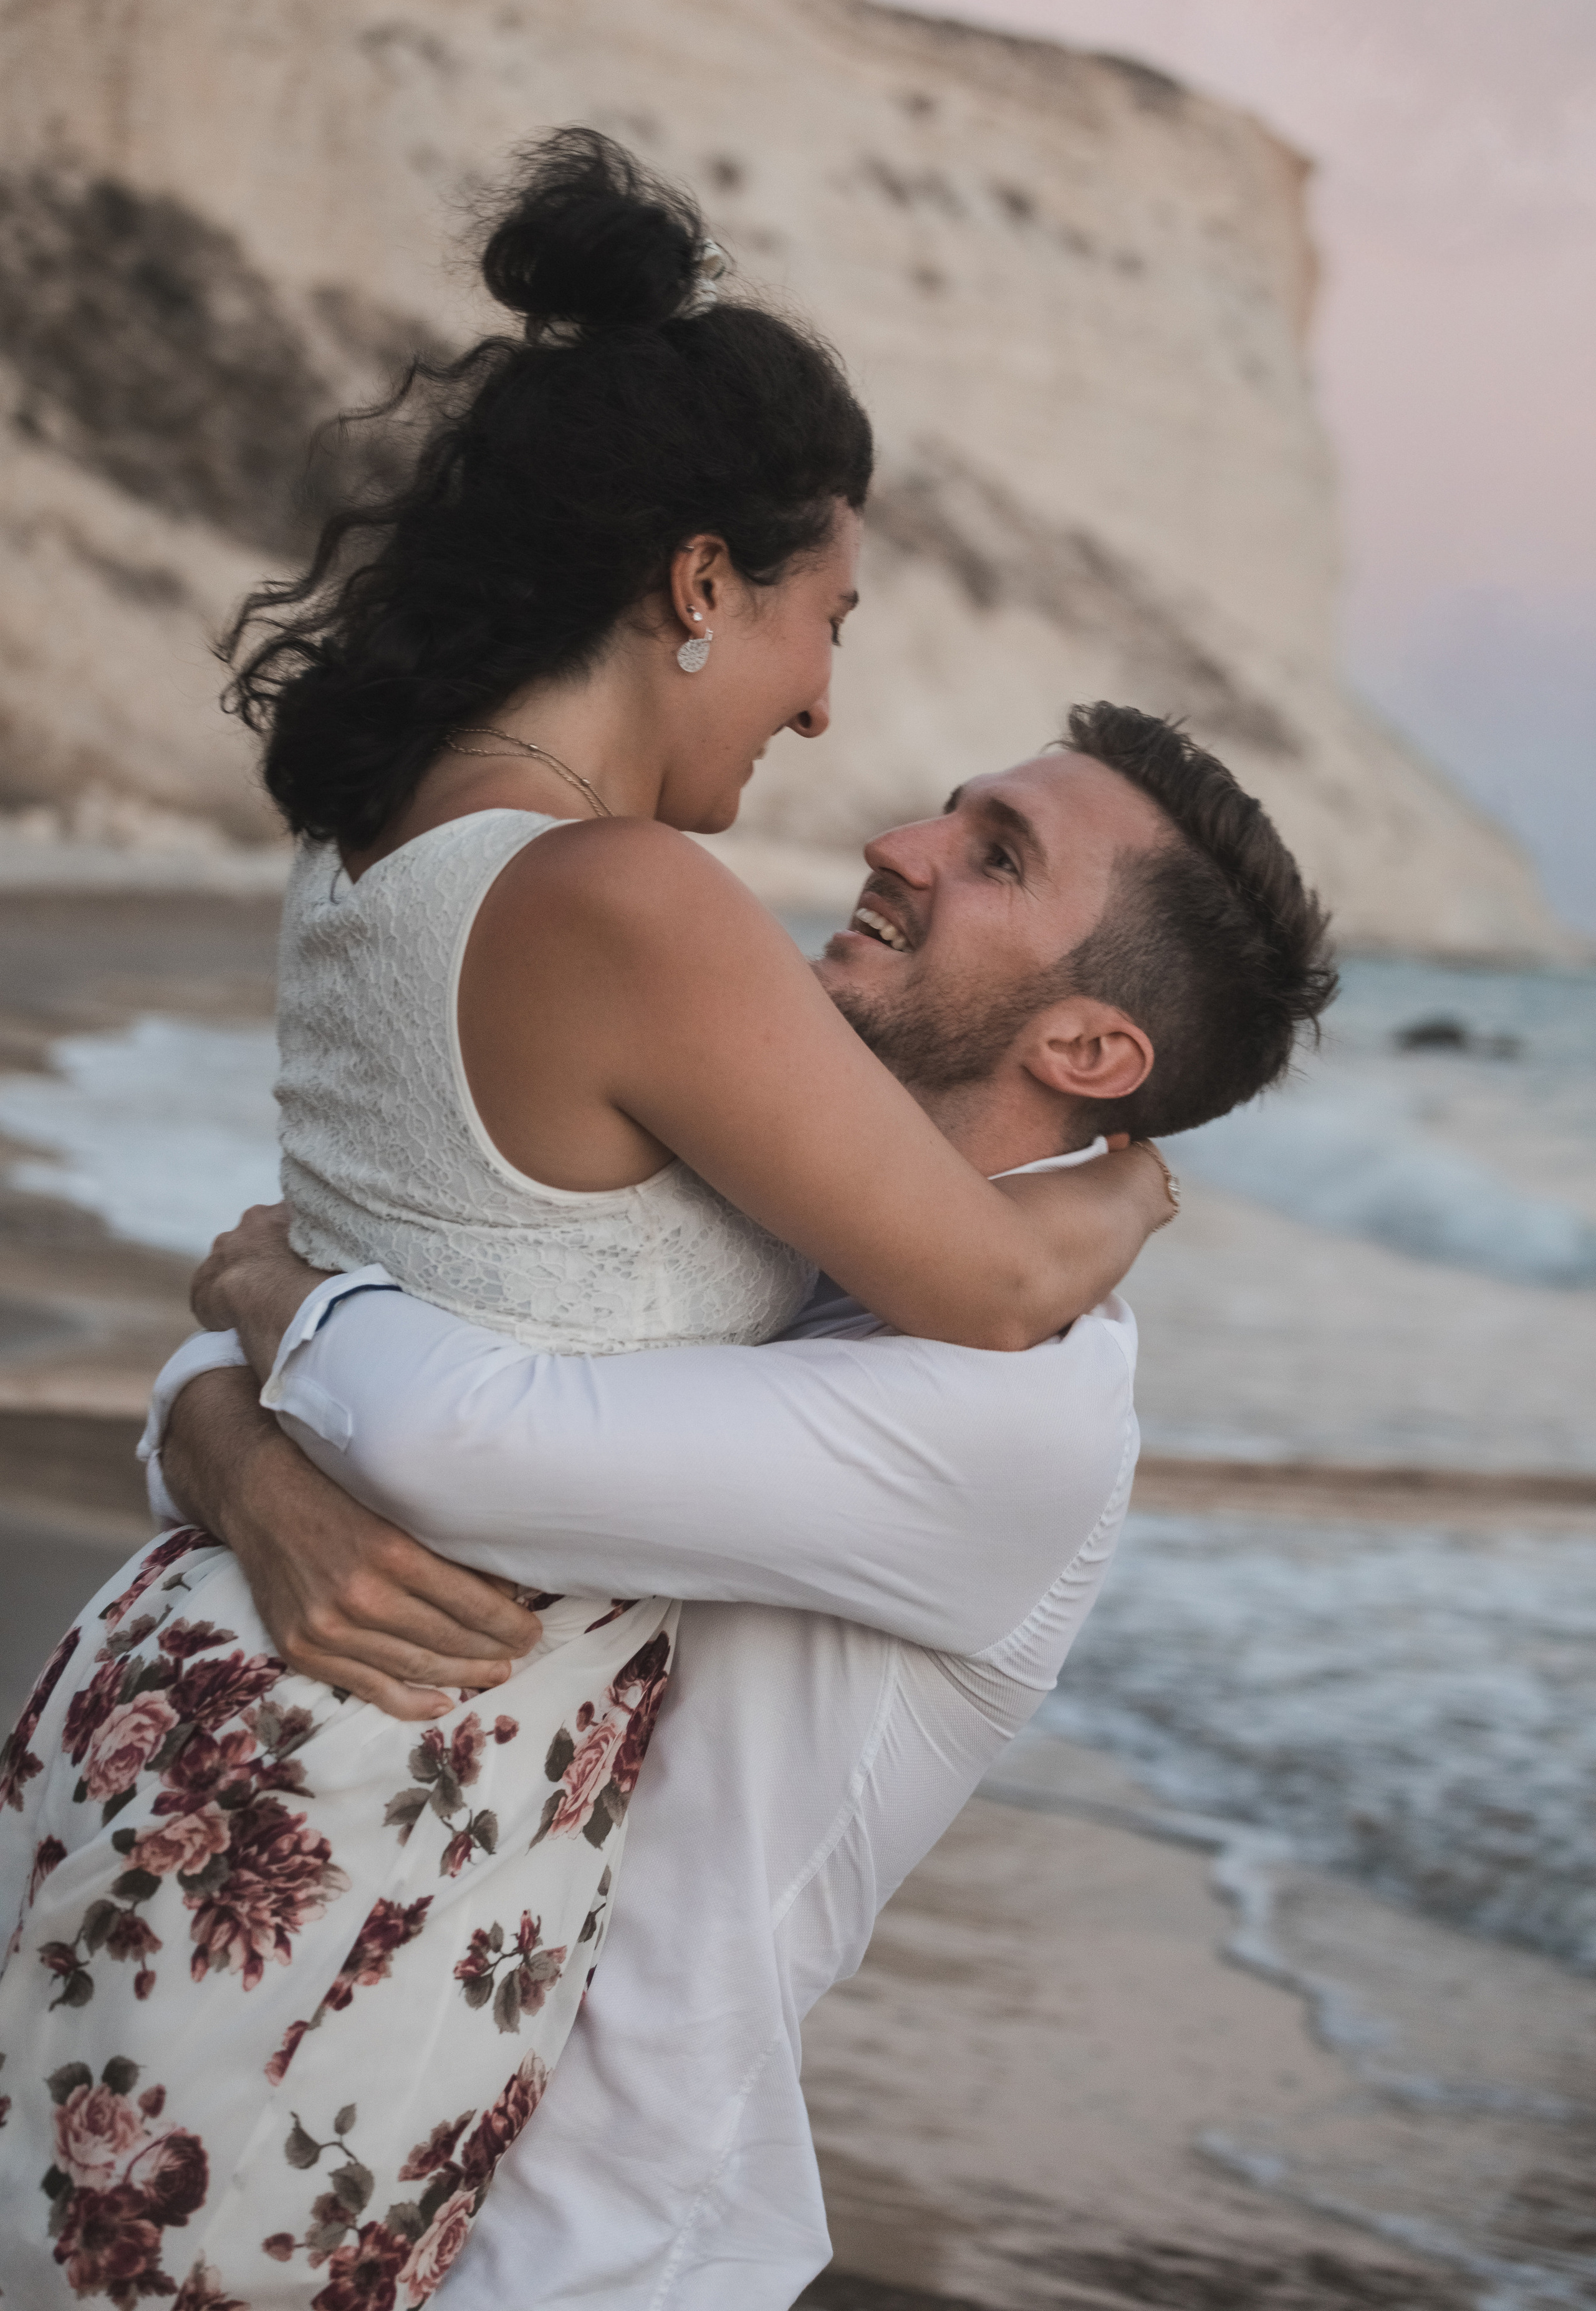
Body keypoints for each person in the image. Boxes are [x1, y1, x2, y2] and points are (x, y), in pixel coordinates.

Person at [0, 130, 1166, 2309]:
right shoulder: (626, 896)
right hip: (352, 1805)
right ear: (702, 584)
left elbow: (369, 1264)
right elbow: (997, 1281)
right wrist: (1135, 1175)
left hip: (195, 1695)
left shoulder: (384, 835)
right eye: (826, 622)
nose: (826, 700)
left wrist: (232, 1383)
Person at [149, 708, 1336, 2307]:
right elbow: (346, 1363)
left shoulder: (1020, 1412)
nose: (895, 847)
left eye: (994, 857)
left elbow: (445, 1435)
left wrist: (258, 1295)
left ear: (1085, 1055)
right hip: (307, 2095)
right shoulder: (746, 1217)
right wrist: (230, 1442)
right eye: (948, 811)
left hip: (563, 2237)